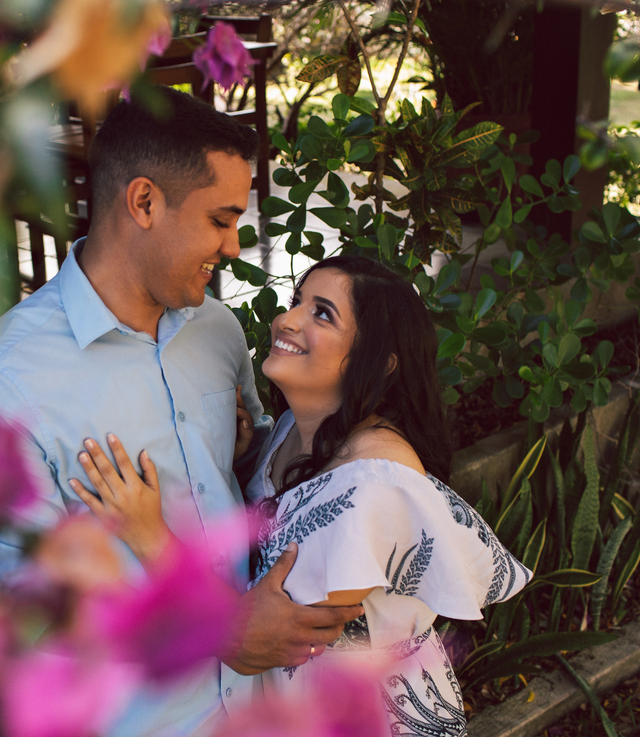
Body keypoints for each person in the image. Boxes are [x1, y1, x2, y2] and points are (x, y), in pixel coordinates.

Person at [0, 87, 364, 737]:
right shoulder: (0, 389)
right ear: (143, 202)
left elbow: (248, 481)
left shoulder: (217, 330)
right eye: (220, 219)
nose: (232, 246)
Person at [73, 255, 532, 735]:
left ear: (378, 362)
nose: (285, 320)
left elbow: (256, 636)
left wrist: (149, 536)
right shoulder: (300, 428)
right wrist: (242, 457)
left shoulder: (373, 488)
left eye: (322, 313)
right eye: (297, 301)